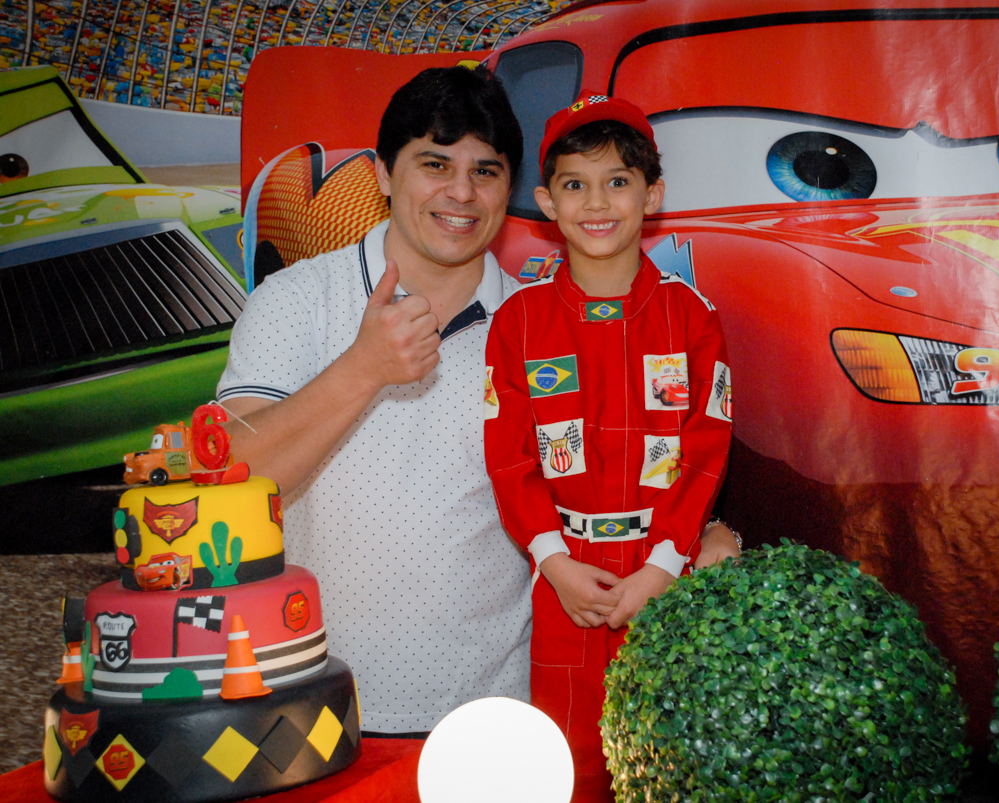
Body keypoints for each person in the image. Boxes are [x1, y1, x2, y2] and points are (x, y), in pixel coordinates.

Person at [215, 67, 739, 737]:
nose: (460, 192)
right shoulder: (295, 300)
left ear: (516, 192)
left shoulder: (538, 322)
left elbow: (657, 453)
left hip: (497, 718)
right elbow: (223, 473)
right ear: (381, 174)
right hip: (317, 709)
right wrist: (364, 368)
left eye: (486, 172)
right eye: (434, 164)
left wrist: (704, 542)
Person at [483, 93, 733, 802]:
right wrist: (553, 562)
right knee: (568, 771)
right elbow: (509, 458)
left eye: (618, 181)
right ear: (546, 201)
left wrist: (661, 568)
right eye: (575, 183)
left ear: (652, 195)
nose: (597, 202)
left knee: (671, 765)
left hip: (666, 586)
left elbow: (705, 452)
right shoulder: (519, 321)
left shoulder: (693, 317)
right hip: (565, 585)